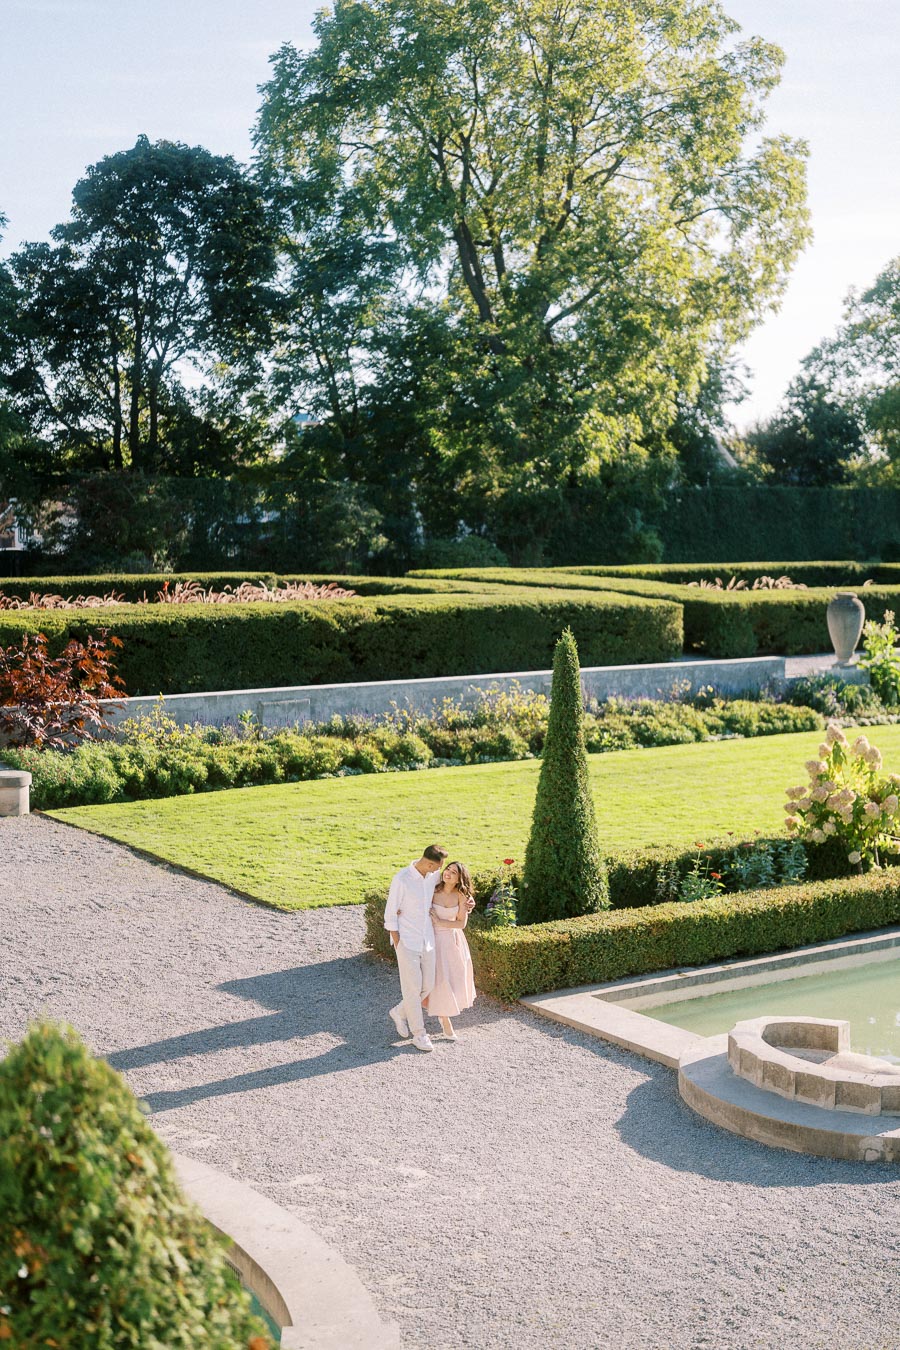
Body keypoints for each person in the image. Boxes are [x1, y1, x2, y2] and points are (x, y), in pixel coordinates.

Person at [384, 845, 448, 1052]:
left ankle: (400, 1012)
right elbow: (390, 914)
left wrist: (468, 900)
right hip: (407, 943)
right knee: (412, 990)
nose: (438, 871)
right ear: (429, 863)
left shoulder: (432, 876)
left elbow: (450, 884)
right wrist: (399, 943)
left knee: (427, 986)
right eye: (437, 866)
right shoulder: (401, 879)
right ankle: (419, 1034)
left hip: (427, 939)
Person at [425, 860, 476, 1040]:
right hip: (432, 940)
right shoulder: (432, 889)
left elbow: (461, 923)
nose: (448, 873)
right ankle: (445, 1021)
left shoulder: (461, 896)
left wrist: (440, 922)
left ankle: (443, 1015)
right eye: (448, 869)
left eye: (453, 872)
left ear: (459, 879)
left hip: (452, 941)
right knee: (438, 979)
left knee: (451, 979)